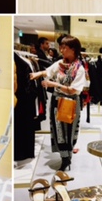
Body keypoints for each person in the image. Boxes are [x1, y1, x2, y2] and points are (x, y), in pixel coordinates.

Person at [29, 35, 86, 171]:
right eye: (61, 47)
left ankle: (67, 157)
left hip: (70, 102)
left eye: (64, 47)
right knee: (58, 130)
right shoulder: (60, 63)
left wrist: (53, 84)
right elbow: (48, 71)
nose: (61, 50)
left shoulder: (79, 69)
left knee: (68, 131)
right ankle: (64, 157)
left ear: (73, 49)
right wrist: (36, 74)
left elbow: (73, 90)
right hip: (57, 101)